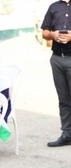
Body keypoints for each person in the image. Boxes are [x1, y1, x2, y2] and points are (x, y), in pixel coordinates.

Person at [41, 1, 71, 147]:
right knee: (64, 99)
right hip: (57, 59)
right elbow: (44, 32)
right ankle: (67, 134)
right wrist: (52, 34)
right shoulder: (53, 7)